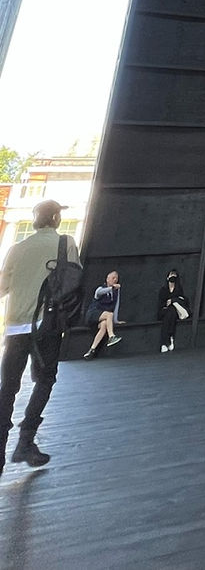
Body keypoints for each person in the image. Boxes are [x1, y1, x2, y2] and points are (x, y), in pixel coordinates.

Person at [0, 199, 80, 472]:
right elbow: (72, 283)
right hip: (46, 326)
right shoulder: (65, 244)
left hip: (15, 327)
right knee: (45, 380)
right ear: (56, 217)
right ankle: (25, 440)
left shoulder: (17, 248)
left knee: (8, 388)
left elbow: (3, 287)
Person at [82, 269, 123, 358]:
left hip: (102, 317)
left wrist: (116, 321)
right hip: (93, 314)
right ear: (107, 279)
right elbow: (100, 292)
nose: (115, 280)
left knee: (104, 324)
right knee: (109, 314)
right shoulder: (100, 289)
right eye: (113, 278)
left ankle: (91, 349)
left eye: (116, 278)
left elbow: (116, 305)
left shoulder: (116, 291)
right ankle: (111, 336)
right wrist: (112, 288)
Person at [157, 268, 190, 353]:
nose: (173, 277)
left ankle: (164, 342)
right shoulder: (163, 290)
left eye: (174, 275)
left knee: (171, 312)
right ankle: (170, 338)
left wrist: (173, 300)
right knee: (169, 313)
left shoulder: (179, 289)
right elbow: (160, 303)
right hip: (164, 310)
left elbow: (183, 300)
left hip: (174, 311)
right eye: (171, 275)